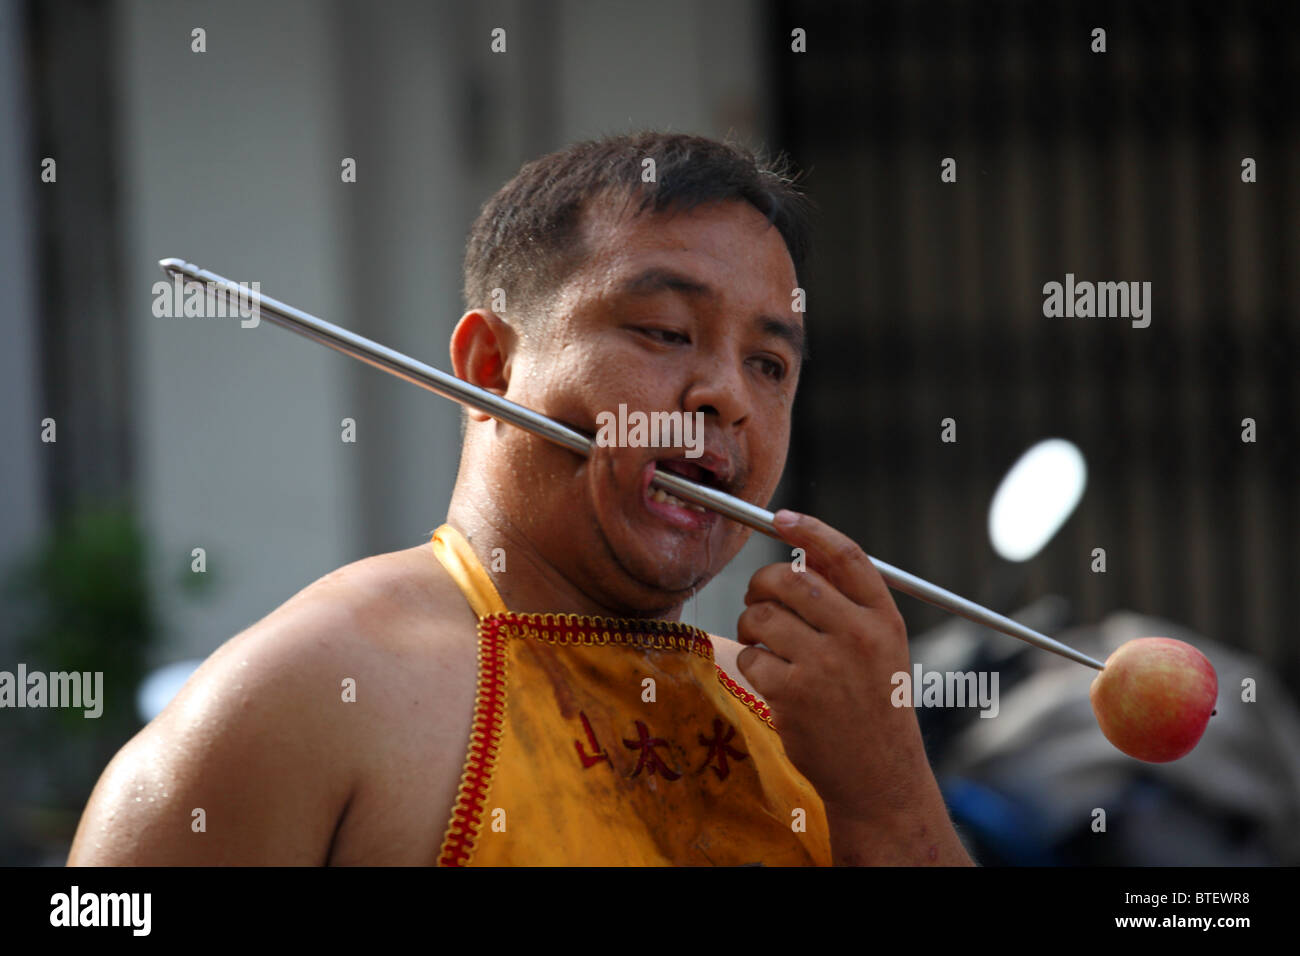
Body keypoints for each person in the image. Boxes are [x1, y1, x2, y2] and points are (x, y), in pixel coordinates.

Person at [68, 131, 974, 866]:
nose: (728, 397)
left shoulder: (811, 728)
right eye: (665, 331)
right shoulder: (305, 698)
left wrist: (892, 803)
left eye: (769, 364)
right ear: (490, 370)